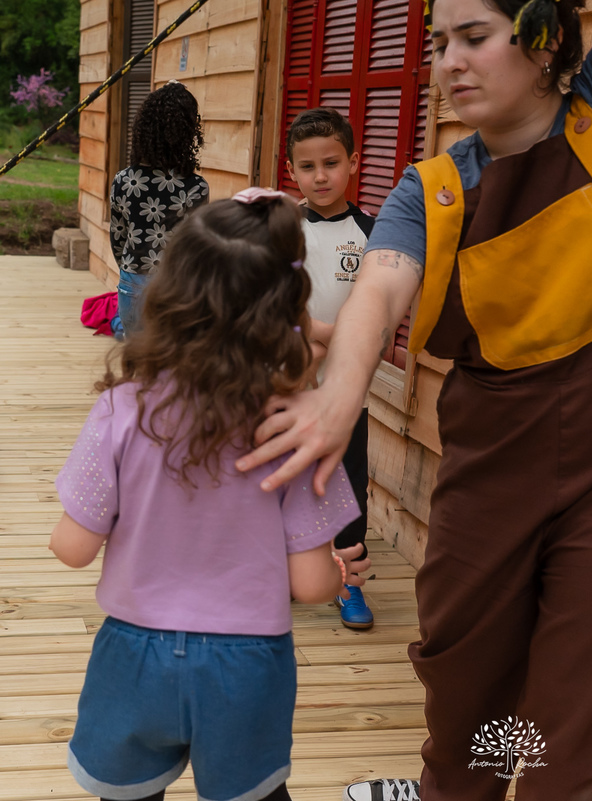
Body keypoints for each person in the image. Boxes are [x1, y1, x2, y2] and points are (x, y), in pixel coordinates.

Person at [233, 0, 592, 797]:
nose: (448, 63)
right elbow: (383, 282)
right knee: (467, 656)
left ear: (546, 42)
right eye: (437, 45)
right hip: (494, 444)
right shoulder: (430, 187)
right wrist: (337, 398)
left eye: (475, 38)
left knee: (575, 683)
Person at [51, 190, 362, 801]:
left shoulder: (123, 408)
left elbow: (72, 547)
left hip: (133, 656)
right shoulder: (293, 428)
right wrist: (334, 568)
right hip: (247, 665)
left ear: (170, 295)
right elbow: (313, 586)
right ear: (288, 310)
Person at [285, 107, 377, 630]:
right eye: (308, 166)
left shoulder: (373, 234)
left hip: (347, 396)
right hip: (286, 390)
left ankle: (350, 585)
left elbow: (377, 313)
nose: (320, 176)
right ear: (292, 170)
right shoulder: (281, 230)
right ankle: (280, 574)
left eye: (331, 163)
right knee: (283, 483)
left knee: (348, 488)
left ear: (353, 163)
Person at [110, 80, 209, 336]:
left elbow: (118, 237)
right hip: (177, 284)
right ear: (188, 133)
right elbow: (196, 246)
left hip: (133, 280)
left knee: (138, 355)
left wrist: (131, 267)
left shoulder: (123, 180)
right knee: (171, 360)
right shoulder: (197, 187)